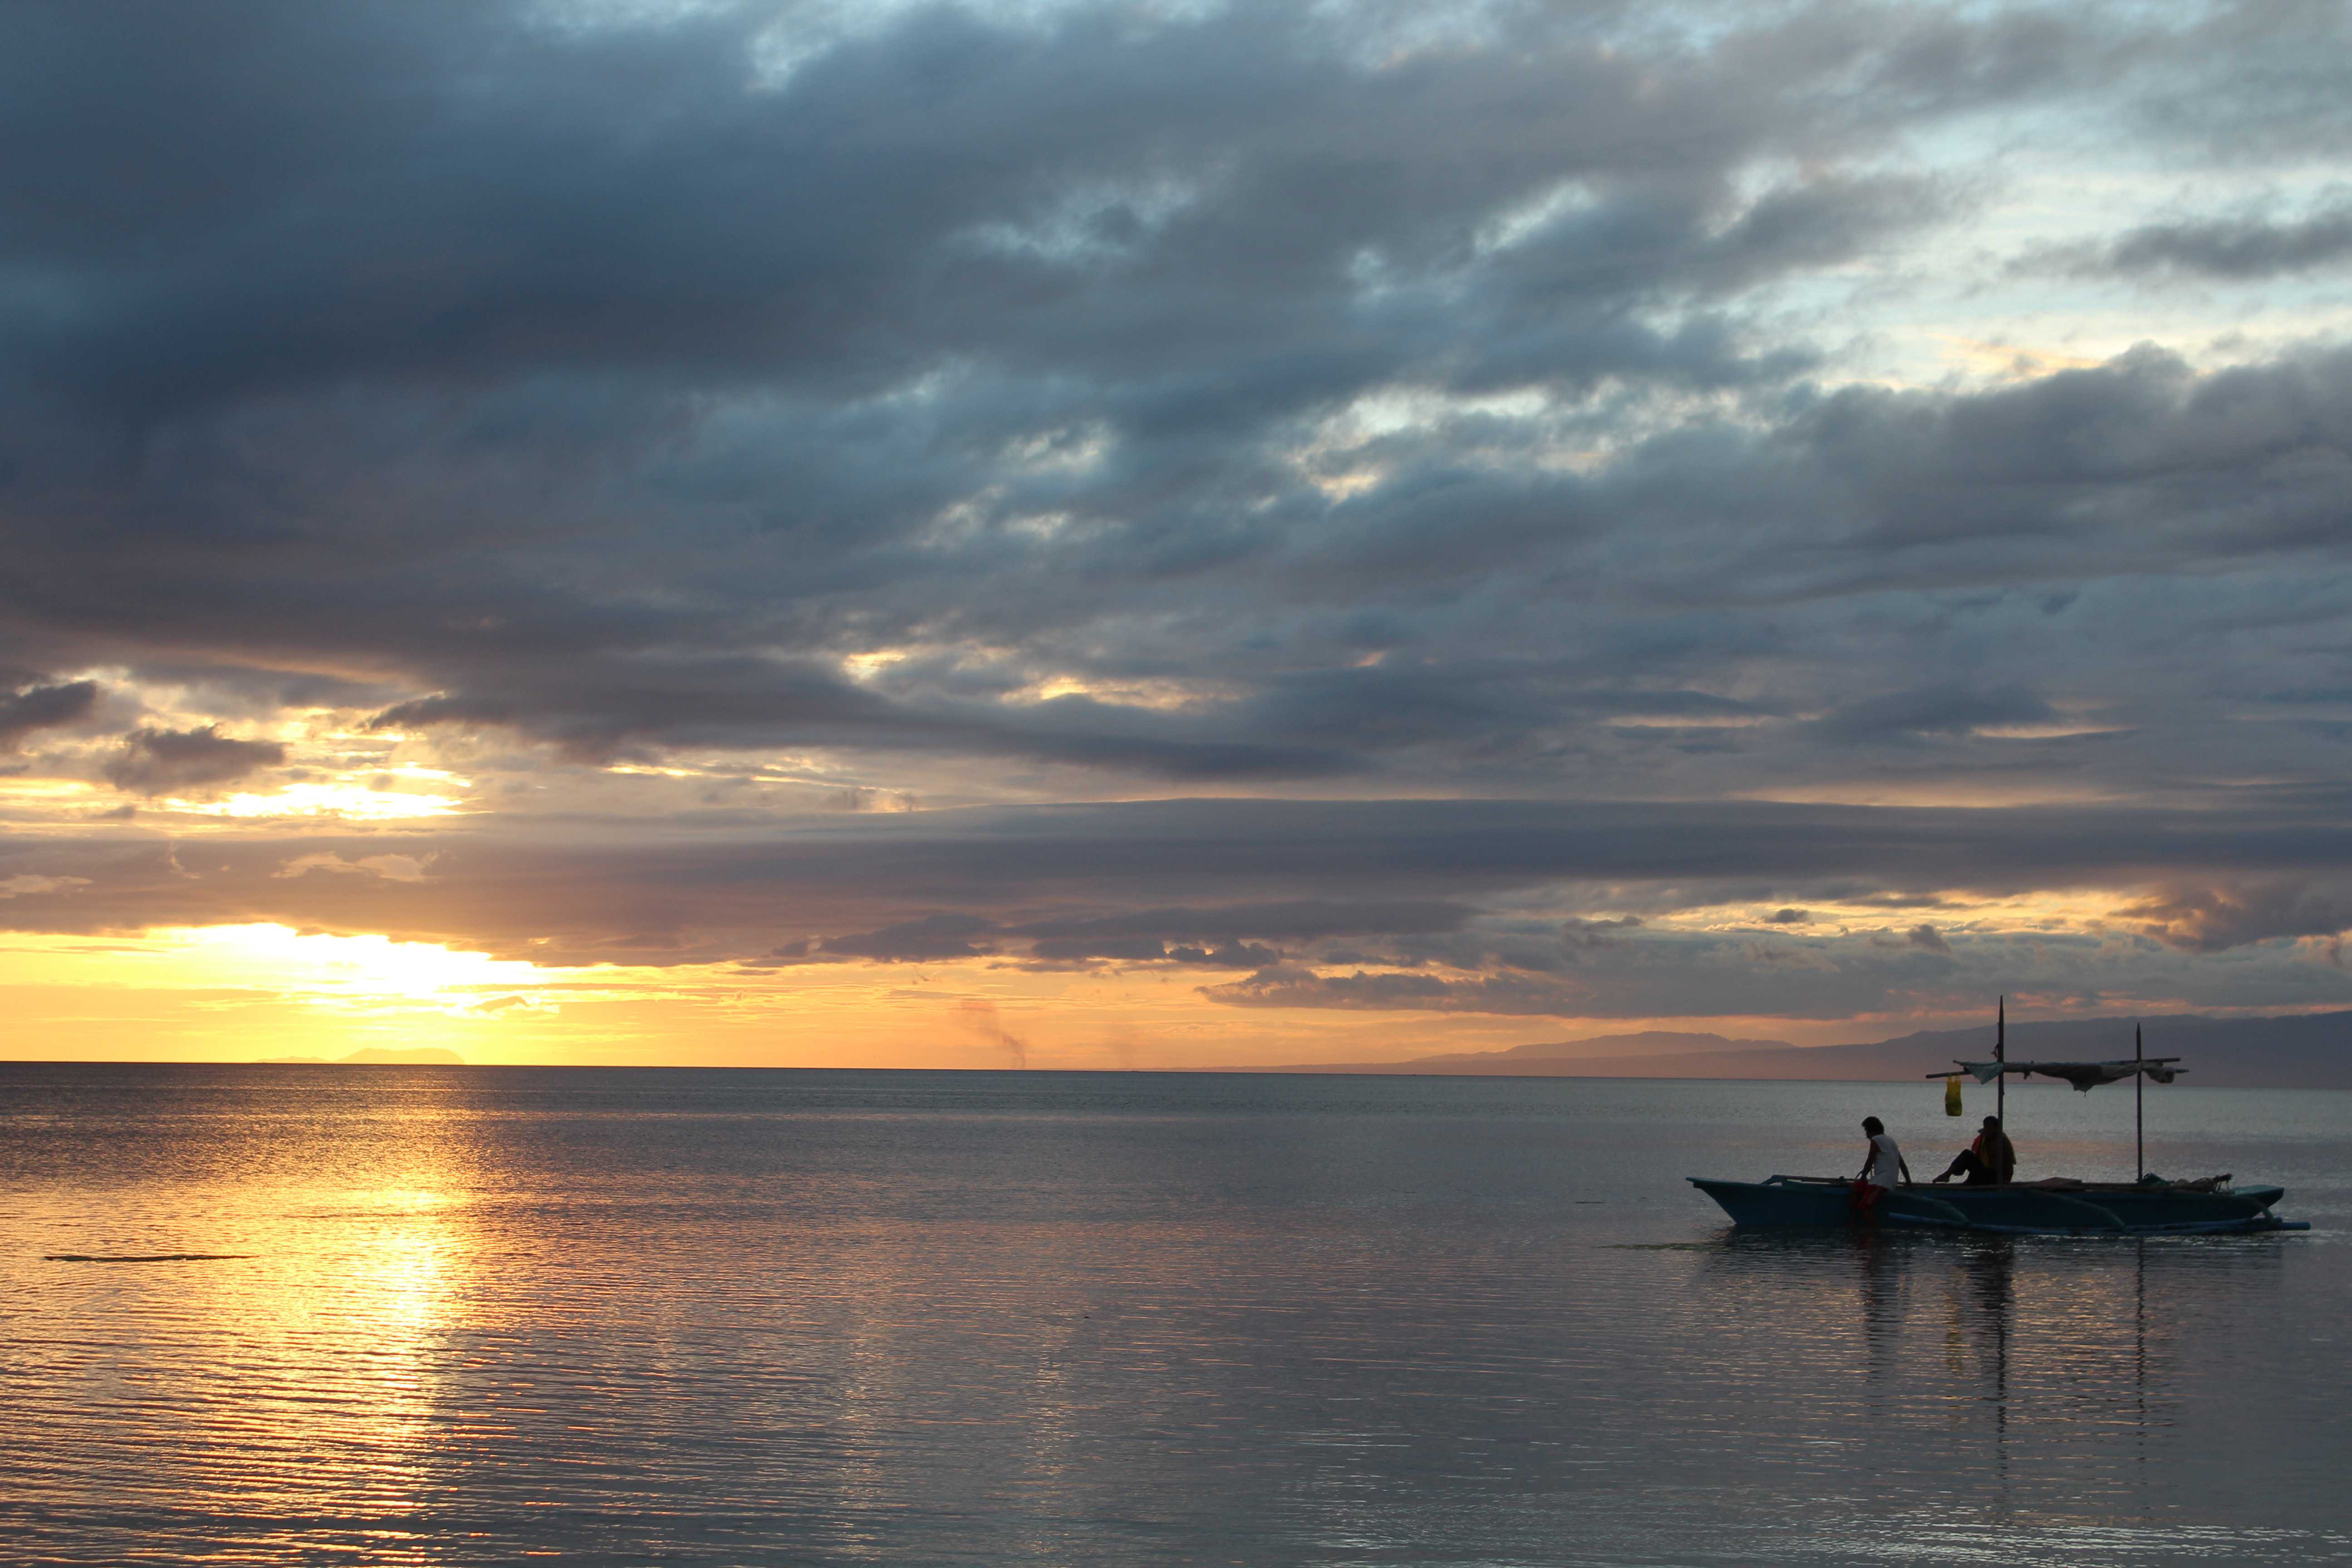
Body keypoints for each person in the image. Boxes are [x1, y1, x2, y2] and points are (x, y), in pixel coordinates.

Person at [1853, 1116, 1912, 1224]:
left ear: (1872, 1130)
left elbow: (1870, 1161)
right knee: (1857, 1188)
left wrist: (1863, 1177)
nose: (1866, 1135)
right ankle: (1853, 1222)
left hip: (1882, 1182)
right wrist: (1909, 1182)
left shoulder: (1876, 1140)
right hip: (1888, 1181)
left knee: (1864, 1207)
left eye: (1867, 1131)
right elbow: (1902, 1164)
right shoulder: (1891, 1140)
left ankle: (1874, 1231)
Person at [1932, 1115, 2016, 1186]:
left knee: (1968, 1155)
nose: (1987, 1130)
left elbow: (2009, 1165)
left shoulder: (2002, 1142)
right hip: (1986, 1172)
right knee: (1967, 1154)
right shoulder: (1985, 1139)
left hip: (1996, 1177)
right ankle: (1948, 1175)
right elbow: (1978, 1159)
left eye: (1990, 1127)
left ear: (1996, 1128)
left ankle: (1965, 1181)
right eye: (1986, 1127)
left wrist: (2006, 1183)